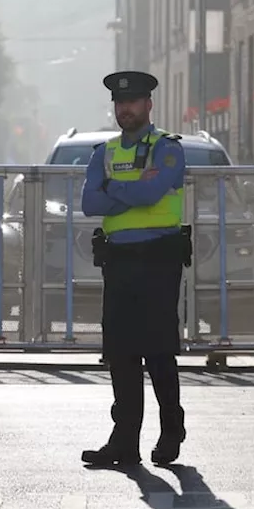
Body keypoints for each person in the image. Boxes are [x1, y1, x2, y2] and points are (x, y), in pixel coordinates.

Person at [79, 70, 190, 468]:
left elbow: (151, 192)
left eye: (133, 101)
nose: (125, 108)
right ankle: (124, 441)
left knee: (158, 349)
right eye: (120, 103)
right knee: (122, 353)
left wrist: (113, 189)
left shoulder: (168, 149)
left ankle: (171, 428)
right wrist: (126, 193)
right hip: (119, 261)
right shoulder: (103, 152)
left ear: (148, 105)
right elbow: (90, 203)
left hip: (159, 258)